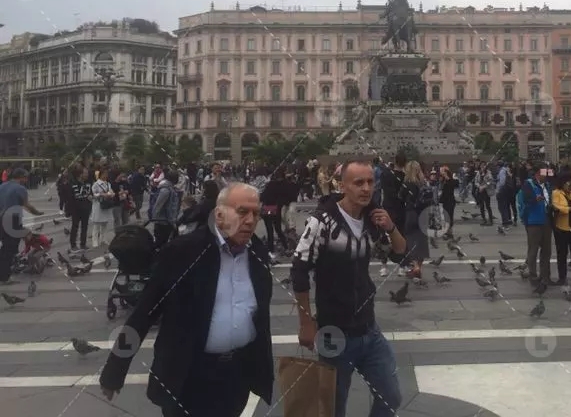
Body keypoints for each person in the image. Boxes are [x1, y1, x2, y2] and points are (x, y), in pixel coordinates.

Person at [100, 183, 274, 417]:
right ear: (219, 214)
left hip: (236, 376)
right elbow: (145, 312)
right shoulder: (183, 252)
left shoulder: (257, 252)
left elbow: (260, 314)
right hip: (189, 376)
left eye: (256, 213)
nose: (251, 220)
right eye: (242, 212)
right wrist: (115, 370)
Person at [291, 159, 406, 417]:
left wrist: (391, 227)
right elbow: (298, 270)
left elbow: (400, 251)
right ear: (342, 185)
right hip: (334, 334)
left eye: (370, 182)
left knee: (391, 397)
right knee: (334, 407)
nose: (366, 188)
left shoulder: (372, 217)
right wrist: (306, 323)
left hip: (369, 328)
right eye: (358, 183)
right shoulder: (321, 221)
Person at [0, 169, 43, 285]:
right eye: (26, 177)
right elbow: (27, 205)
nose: (27, 180)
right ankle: (4, 277)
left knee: (5, 247)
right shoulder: (21, 189)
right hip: (12, 219)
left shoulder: (2, 186)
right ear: (21, 177)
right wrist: (37, 213)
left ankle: (4, 273)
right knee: (9, 249)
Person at [519, 166, 552, 289]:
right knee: (533, 249)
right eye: (545, 174)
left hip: (546, 220)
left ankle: (545, 276)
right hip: (533, 221)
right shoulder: (528, 184)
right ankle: (533, 276)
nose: (547, 176)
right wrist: (535, 199)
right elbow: (526, 199)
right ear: (538, 173)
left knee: (547, 250)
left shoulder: (547, 185)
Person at [551, 172, 571, 288]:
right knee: (562, 254)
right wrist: (569, 209)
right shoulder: (556, 193)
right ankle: (562, 278)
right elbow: (556, 206)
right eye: (568, 183)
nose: (570, 185)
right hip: (562, 228)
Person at [90, 168, 115, 248]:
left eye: (107, 174)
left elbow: (111, 191)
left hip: (106, 205)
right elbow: (93, 194)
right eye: (104, 174)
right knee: (96, 225)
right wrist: (101, 194)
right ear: (100, 175)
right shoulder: (96, 184)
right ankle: (95, 241)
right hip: (98, 206)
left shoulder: (108, 183)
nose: (106, 175)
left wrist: (111, 194)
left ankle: (103, 239)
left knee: (104, 224)